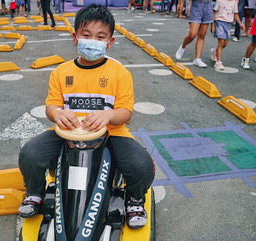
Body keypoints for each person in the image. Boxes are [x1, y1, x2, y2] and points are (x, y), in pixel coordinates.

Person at [17, 4, 155, 229]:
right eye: (86, 35)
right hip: (66, 134)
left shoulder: (120, 73)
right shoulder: (61, 72)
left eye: (100, 37)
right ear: (75, 37)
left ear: (109, 42)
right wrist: (58, 113)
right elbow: (51, 106)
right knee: (30, 154)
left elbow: (125, 113)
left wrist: (108, 115)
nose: (93, 41)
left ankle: (135, 199)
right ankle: (34, 193)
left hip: (111, 133)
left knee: (141, 164)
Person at [175, 0, 214, 67]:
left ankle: (197, 58)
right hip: (197, 6)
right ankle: (183, 47)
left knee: (202, 35)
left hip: (208, 6)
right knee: (192, 34)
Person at [210, 0, 245, 70]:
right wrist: (212, 25)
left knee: (224, 44)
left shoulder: (234, 2)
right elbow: (214, 12)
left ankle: (215, 50)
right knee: (221, 42)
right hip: (219, 21)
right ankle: (218, 62)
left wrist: (240, 24)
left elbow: (235, 13)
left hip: (228, 23)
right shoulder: (220, 1)